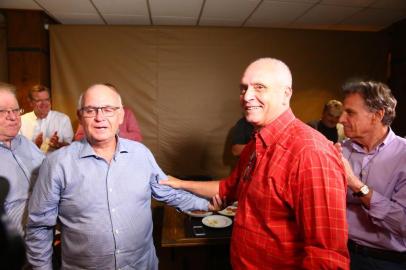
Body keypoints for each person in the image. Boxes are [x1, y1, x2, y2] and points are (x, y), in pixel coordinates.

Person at [161, 58, 349, 269]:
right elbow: (227, 188)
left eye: (259, 87)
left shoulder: (310, 151)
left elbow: (326, 256)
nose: (247, 96)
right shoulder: (254, 145)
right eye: (243, 89)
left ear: (286, 94)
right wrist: (179, 183)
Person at [25, 83, 220, 269]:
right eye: (91, 110)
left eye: (108, 109)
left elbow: (168, 192)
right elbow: (39, 227)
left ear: (121, 115)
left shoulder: (140, 154)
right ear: (80, 116)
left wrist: (206, 204)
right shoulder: (56, 164)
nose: (100, 117)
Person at [335, 81, 406, 270]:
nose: (340, 119)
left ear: (377, 115)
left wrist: (355, 185)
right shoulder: (340, 150)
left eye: (350, 112)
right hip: (340, 254)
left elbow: (403, 223)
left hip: (385, 262)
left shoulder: (404, 156)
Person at [0, 82, 45, 236]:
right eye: (3, 112)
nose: (13, 117)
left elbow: (50, 174)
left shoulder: (24, 143)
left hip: (45, 223)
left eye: (15, 110)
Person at [20, 84, 74, 153]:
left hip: (55, 163)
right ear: (30, 103)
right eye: (39, 100)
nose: (44, 103)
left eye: (47, 99)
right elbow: (16, 149)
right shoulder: (21, 121)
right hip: (29, 163)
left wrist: (58, 144)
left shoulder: (63, 119)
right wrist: (35, 145)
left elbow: (71, 148)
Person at [74, 106, 142, 141]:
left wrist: (118, 134)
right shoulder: (88, 114)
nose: (100, 118)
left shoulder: (127, 112)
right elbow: (78, 137)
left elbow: (138, 136)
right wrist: (95, 135)